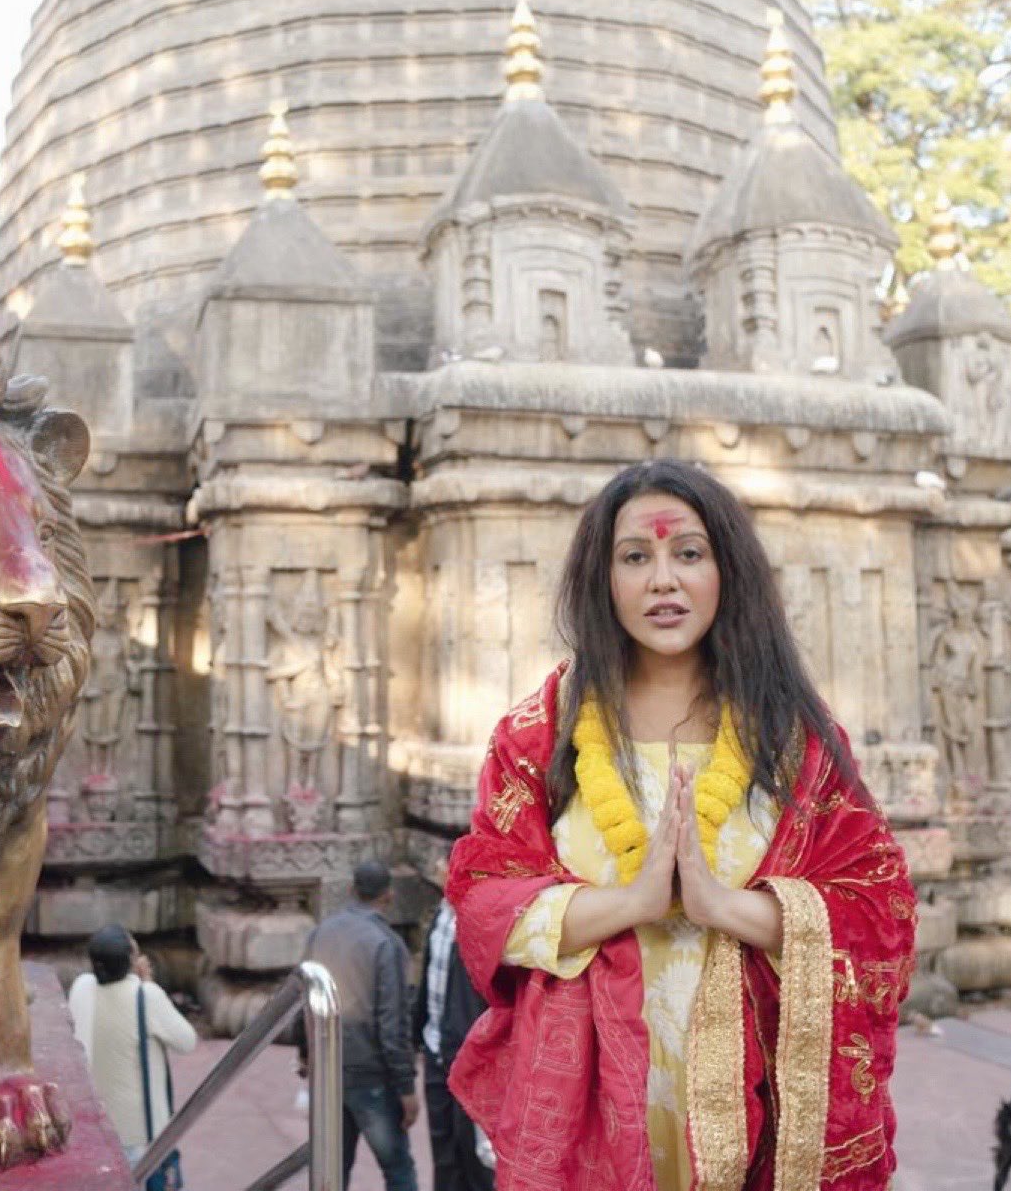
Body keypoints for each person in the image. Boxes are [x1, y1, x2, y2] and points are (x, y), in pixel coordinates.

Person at [447, 460, 916, 1191]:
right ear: (603, 579)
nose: (663, 581)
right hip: (595, 1106)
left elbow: (879, 914)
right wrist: (631, 903)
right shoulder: (541, 733)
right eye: (635, 557)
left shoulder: (793, 738)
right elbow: (482, 903)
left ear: (726, 571)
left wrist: (722, 906)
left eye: (688, 553)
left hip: (757, 1103)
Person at [303, 860, 420, 1191]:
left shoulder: (321, 932)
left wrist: (305, 1054)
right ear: (389, 895)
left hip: (327, 1070)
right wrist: (406, 1086)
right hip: (371, 1075)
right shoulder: (387, 944)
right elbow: (393, 1023)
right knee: (398, 1169)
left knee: (332, 1169)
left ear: (352, 890)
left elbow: (304, 996)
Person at [68, 925, 197, 1188]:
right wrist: (147, 982)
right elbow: (187, 1041)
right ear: (131, 960)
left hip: (98, 1128)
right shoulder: (145, 996)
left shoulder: (81, 988)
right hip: (138, 1134)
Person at [413, 896, 493, 1191]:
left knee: (475, 1160)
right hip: (435, 1050)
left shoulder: (482, 915)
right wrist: (416, 1034)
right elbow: (428, 978)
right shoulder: (440, 914)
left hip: (469, 1057)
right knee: (444, 1157)